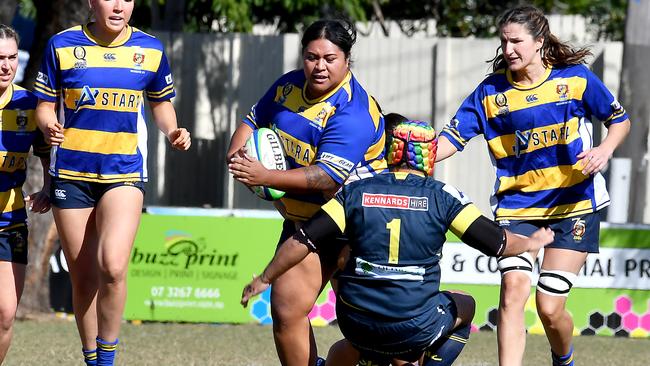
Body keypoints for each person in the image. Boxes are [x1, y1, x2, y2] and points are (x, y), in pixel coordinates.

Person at [241, 119, 555, 366]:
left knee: (355, 347)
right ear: (429, 155)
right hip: (411, 325)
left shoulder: (355, 192)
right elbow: (498, 243)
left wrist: (265, 278)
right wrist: (532, 242)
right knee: (466, 306)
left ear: (391, 153)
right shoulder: (443, 197)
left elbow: (303, 239)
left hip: (354, 321)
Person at [436, 5, 630, 366]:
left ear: (539, 42)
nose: (508, 49)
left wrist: (604, 150)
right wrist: (416, 155)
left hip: (573, 205)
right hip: (518, 208)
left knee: (550, 305)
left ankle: (563, 358)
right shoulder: (490, 93)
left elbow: (619, 120)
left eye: (516, 41)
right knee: (512, 292)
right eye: (504, 41)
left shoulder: (575, 79)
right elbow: (452, 138)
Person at [33, 1, 191, 365]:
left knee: (114, 267)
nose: (119, 6)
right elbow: (44, 104)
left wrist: (173, 130)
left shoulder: (149, 49)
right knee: (84, 277)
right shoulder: (62, 45)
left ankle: (107, 360)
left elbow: (161, 104)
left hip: (124, 172)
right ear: (92, 2)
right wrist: (47, 124)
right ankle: (92, 360)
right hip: (71, 174)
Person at [227, 18, 386, 366]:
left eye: (330, 58)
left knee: (368, 327)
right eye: (312, 57)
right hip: (306, 222)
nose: (320, 66)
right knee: (285, 312)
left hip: (356, 227)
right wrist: (237, 154)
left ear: (346, 59)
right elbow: (253, 120)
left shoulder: (352, 110)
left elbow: (326, 178)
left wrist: (264, 175)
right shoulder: (288, 86)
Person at [0, 24, 51, 364]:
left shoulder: (29, 105)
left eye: (12, 57)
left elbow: (46, 152)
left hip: (10, 219)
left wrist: (48, 186)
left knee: (5, 314)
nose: (6, 65)